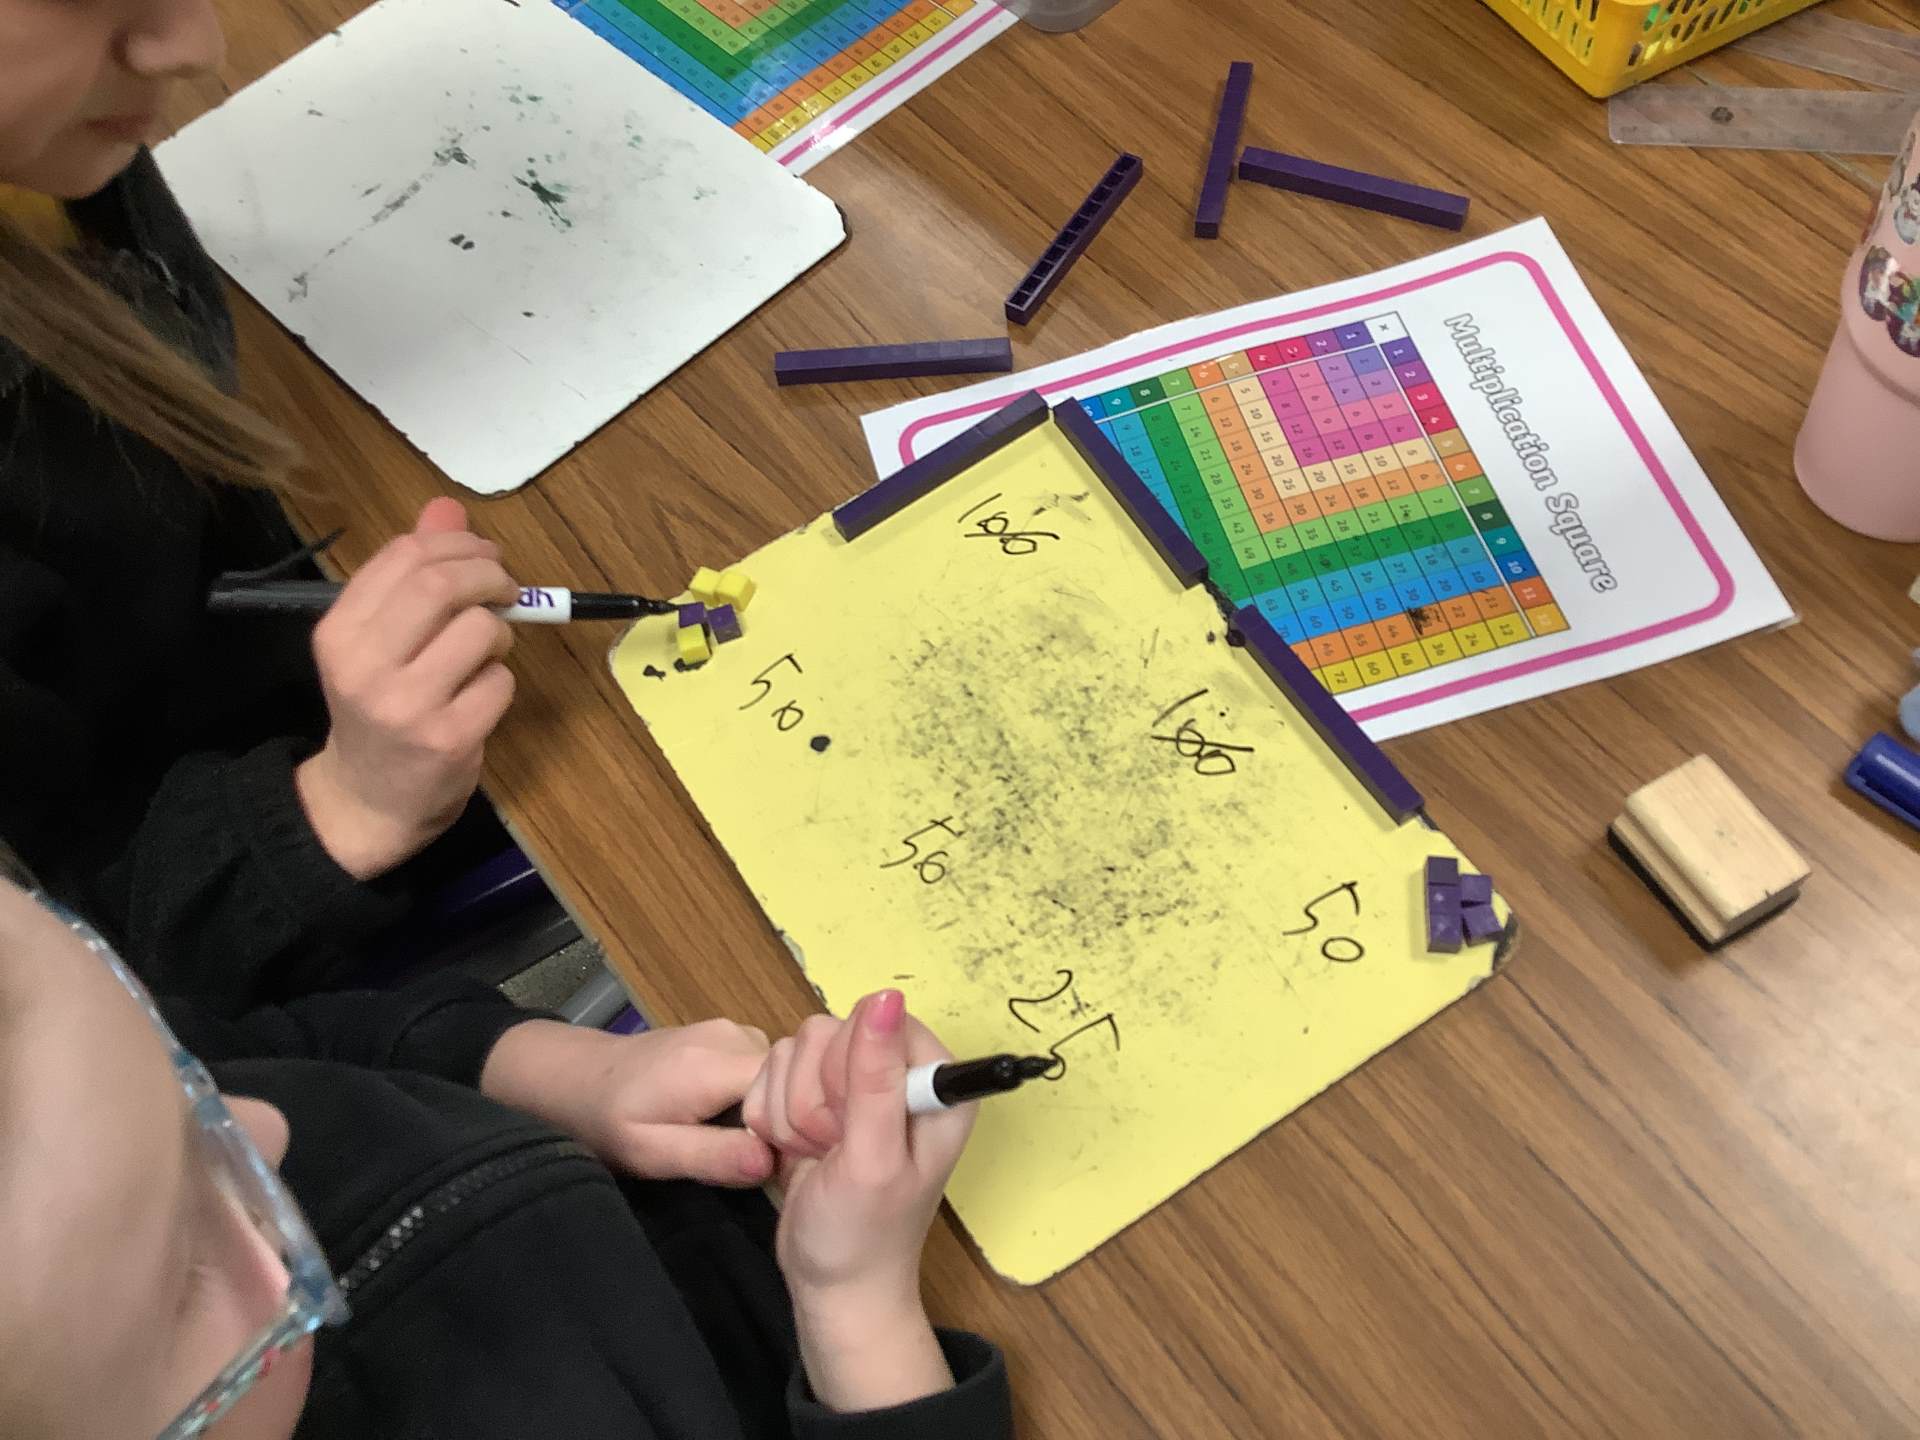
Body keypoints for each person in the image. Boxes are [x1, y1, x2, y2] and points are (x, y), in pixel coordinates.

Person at [0, 878, 1011, 1437]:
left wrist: (568, 1078)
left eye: (180, 1070)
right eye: (186, 1274)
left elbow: (300, 1047)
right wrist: (856, 1308)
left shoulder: (101, 1132)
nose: (271, 1130)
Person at [1, 0, 527, 1007]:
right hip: (260, 868)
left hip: (294, 636)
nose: (197, 46)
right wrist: (344, 803)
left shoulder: (50, 150)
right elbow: (68, 1005)